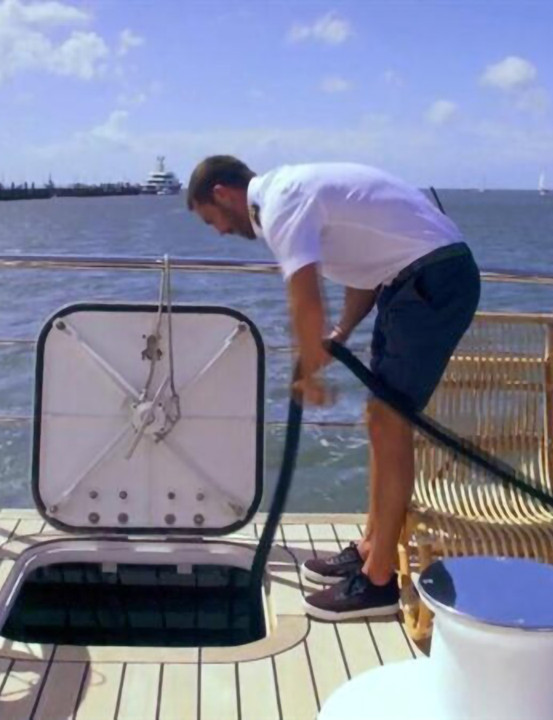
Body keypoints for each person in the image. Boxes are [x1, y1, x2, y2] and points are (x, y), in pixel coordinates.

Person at [187, 156, 481, 621]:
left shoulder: (281, 204)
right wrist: (341, 332)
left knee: (389, 422)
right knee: (381, 421)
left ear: (223, 193)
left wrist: (309, 371)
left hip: (432, 278)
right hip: (411, 281)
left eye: (212, 220)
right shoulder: (294, 193)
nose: (220, 231)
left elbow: (304, 296)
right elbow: (363, 272)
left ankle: (379, 581)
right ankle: (370, 549)